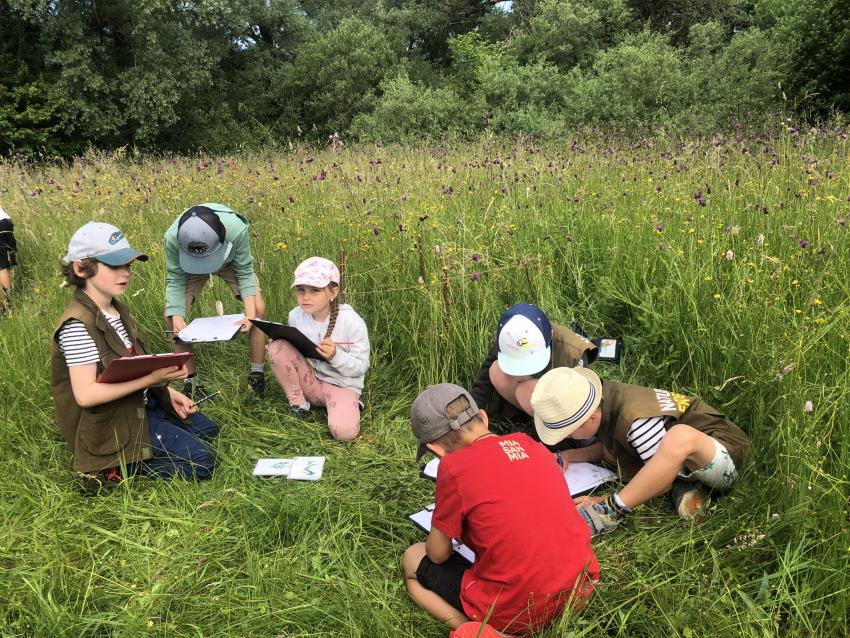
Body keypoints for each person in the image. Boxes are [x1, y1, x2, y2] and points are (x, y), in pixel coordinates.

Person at [402, 384, 598, 634]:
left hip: (517, 608)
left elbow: (438, 554)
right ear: (483, 417)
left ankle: (482, 628)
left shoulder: (453, 468)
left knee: (413, 558)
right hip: (578, 589)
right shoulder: (531, 445)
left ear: (435, 449)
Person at [51, 222, 218, 488]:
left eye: (128, 265)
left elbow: (133, 364)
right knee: (201, 462)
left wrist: (169, 392)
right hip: (113, 421)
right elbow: (86, 395)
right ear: (81, 268)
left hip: (141, 404)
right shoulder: (76, 325)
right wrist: (152, 379)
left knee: (208, 430)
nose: (125, 273)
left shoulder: (117, 309)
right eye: (114, 266)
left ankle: (153, 436)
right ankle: (110, 471)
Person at [530, 367, 749, 535]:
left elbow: (661, 479)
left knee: (678, 437)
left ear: (591, 419)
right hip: (678, 455)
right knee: (612, 454)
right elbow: (609, 447)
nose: (566, 439)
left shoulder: (635, 422)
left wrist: (605, 499)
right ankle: (689, 489)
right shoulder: (604, 400)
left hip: (726, 454)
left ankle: (612, 510)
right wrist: (567, 456)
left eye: (567, 433)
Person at [164, 203, 267, 399]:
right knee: (171, 318)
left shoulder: (236, 229)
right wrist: (177, 317)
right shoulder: (172, 238)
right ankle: (192, 383)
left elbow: (244, 272)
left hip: (229, 262)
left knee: (259, 309)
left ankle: (257, 375)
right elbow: (175, 279)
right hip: (190, 267)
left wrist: (250, 315)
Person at [267, 257, 369, 440]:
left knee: (343, 433)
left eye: (315, 290)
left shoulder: (352, 322)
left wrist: (335, 356)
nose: (305, 297)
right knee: (277, 347)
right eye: (300, 290)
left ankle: (351, 403)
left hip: (341, 384)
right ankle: (298, 404)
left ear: (333, 292)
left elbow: (361, 366)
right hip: (311, 380)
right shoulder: (295, 316)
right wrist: (281, 346)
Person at [470, 303, 597, 420]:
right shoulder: (509, 337)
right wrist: (473, 411)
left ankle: (553, 431)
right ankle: (529, 417)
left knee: (527, 391)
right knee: (495, 370)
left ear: (550, 335)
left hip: (566, 397)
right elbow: (486, 374)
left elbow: (582, 401)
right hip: (536, 392)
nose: (520, 375)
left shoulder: (572, 353)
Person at [0, 203, 16, 312]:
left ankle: (7, 305)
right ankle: (8, 301)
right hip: (6, 222)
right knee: (6, 265)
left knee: (2, 267)